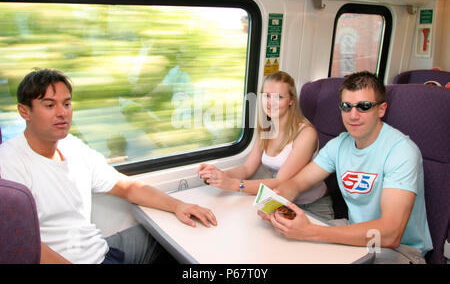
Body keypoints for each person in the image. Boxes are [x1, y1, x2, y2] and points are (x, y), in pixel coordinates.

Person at [0, 69, 217, 264]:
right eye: (49, 105)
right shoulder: (9, 163)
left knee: (171, 237)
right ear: (24, 111)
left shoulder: (72, 146)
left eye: (66, 104)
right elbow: (25, 245)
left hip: (100, 250)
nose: (62, 113)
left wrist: (178, 205)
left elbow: (127, 187)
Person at [260, 71, 433, 264]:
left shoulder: (402, 151)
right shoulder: (340, 144)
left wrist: (312, 232)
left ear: (381, 109)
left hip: (400, 250)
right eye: (346, 106)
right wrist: (274, 202)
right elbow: (298, 182)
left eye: (364, 107)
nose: (353, 115)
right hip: (354, 232)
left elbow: (391, 234)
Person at [197, 71, 333, 220]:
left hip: (312, 208)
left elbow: (281, 182)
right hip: (281, 204)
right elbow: (247, 168)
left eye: (279, 97)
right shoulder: (266, 129)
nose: (270, 102)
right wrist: (219, 175)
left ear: (291, 101)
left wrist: (233, 184)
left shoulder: (306, 133)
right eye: (266, 96)